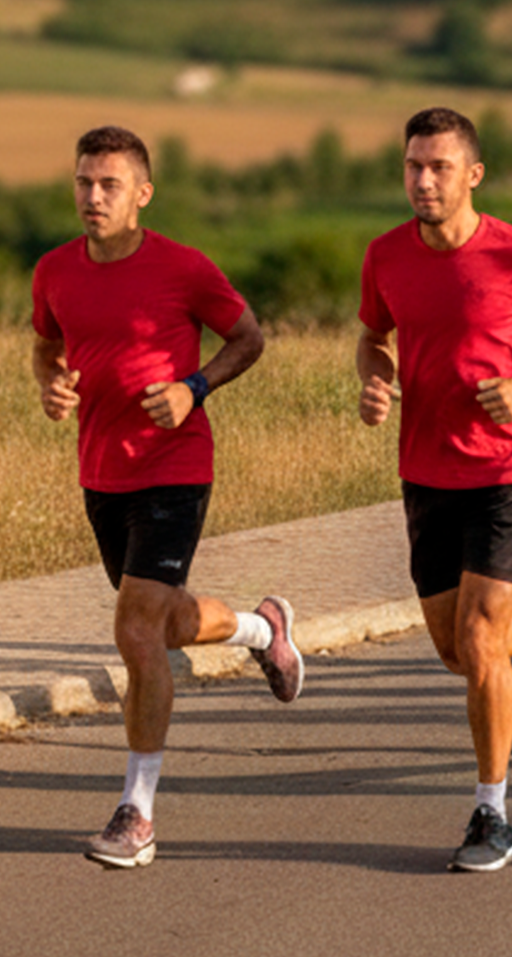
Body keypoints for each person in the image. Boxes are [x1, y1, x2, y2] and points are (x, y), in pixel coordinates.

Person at [31, 126, 303, 870]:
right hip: (101, 473)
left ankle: (137, 812)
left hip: (175, 466)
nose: (92, 196)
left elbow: (248, 337)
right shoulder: (54, 270)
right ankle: (261, 627)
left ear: (142, 194)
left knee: (136, 631)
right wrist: (50, 385)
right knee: (168, 620)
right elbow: (47, 346)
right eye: (84, 182)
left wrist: (194, 388)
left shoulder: (182, 268)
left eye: (109, 184)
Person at [356, 107, 512, 873]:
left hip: (508, 468)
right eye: (412, 166)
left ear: (472, 175)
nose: (422, 181)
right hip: (425, 469)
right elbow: (373, 337)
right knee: (456, 650)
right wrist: (377, 380)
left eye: (438, 167)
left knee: (478, 640)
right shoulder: (384, 256)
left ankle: (491, 813)